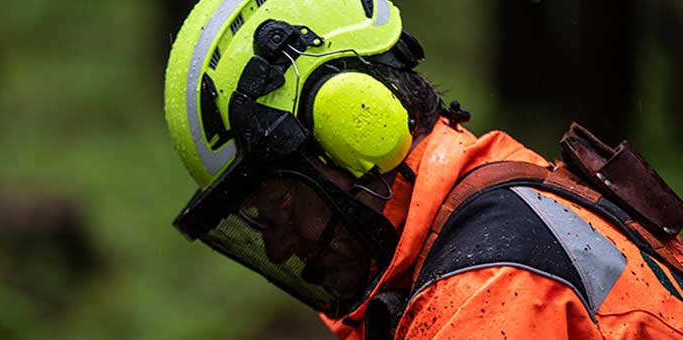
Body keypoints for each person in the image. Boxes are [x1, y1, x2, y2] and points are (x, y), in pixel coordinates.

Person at [164, 0, 683, 339]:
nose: (277, 248)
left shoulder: (493, 289)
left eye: (279, 205)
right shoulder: (495, 213)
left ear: (355, 124)